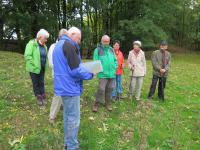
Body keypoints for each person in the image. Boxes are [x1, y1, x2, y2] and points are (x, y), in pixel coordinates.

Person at [53, 26, 94, 150]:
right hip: (70, 87)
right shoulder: (69, 45)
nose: (79, 41)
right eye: (79, 38)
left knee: (67, 116)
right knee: (73, 119)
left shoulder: (58, 45)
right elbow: (75, 70)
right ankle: (72, 146)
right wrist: (90, 73)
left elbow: (68, 66)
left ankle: (67, 143)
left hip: (63, 86)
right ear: (72, 34)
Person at [92, 35, 118, 112]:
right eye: (104, 41)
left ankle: (107, 104)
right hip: (103, 74)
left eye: (107, 41)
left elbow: (115, 60)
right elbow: (95, 62)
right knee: (101, 89)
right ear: (101, 41)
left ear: (109, 41)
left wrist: (115, 67)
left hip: (112, 74)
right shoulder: (97, 50)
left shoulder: (111, 50)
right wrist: (97, 71)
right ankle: (96, 104)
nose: (106, 43)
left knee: (110, 89)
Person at [24, 29, 49, 106]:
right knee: (36, 83)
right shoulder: (31, 44)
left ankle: (43, 96)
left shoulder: (44, 46)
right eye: (45, 38)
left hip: (42, 68)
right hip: (33, 68)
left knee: (41, 82)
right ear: (40, 37)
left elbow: (45, 57)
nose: (46, 40)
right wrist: (34, 65)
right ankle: (38, 97)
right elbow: (27, 56)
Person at [48, 29, 68, 123]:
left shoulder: (68, 46)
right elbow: (51, 63)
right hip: (58, 75)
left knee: (67, 93)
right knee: (58, 95)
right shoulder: (53, 46)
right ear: (59, 36)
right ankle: (52, 116)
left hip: (67, 76)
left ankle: (63, 107)